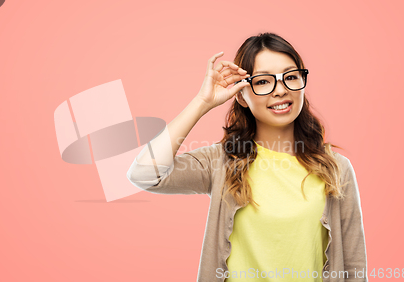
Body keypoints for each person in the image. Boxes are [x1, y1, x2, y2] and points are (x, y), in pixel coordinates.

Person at [127, 32, 367, 282]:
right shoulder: (221, 162)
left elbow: (354, 267)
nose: (281, 90)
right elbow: (144, 175)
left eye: (291, 77)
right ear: (241, 95)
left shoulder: (336, 168)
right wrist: (202, 102)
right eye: (263, 81)